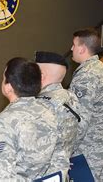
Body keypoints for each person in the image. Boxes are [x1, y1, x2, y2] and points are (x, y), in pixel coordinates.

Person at [0, 57, 58, 181]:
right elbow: (59, 158)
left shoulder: (3, 122)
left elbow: (4, 176)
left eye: (4, 78)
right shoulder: (49, 112)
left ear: (8, 87)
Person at [69, 28, 103, 181]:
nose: (71, 48)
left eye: (74, 45)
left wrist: (67, 148)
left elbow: (80, 118)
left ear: (82, 48)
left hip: (90, 149)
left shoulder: (86, 74)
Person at [35, 51, 88, 180]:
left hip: (44, 173)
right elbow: (83, 127)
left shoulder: (41, 103)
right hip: (64, 168)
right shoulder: (71, 96)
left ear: (41, 75)